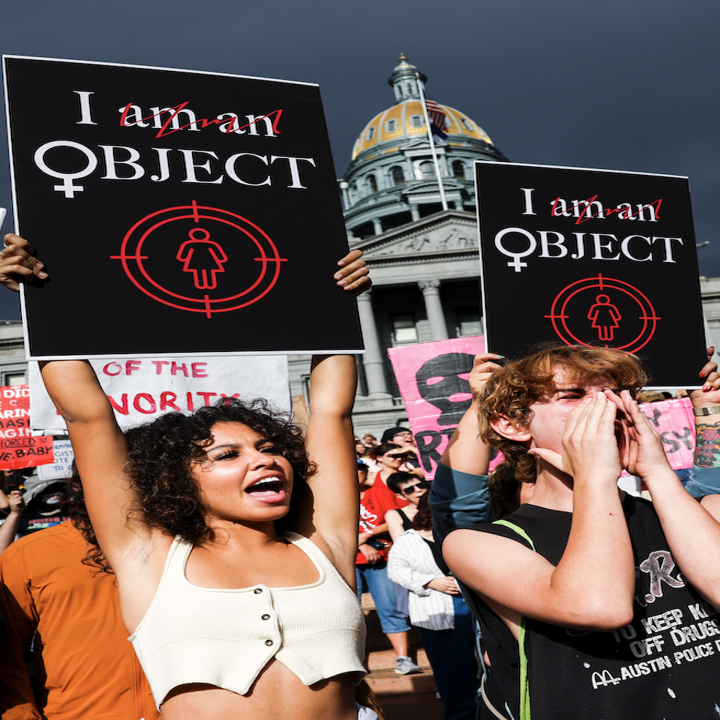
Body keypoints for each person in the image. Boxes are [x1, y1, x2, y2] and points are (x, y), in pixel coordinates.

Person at [0, 233, 374, 720]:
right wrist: (40, 299)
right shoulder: (147, 558)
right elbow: (88, 417)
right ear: (179, 483)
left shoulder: (327, 543)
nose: (264, 460)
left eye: (268, 448)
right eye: (228, 454)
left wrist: (335, 301)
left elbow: (331, 411)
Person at [441, 344, 720, 720]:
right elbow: (599, 606)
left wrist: (658, 473)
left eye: (614, 395)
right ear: (513, 424)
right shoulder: (480, 544)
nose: (606, 407)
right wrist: (594, 477)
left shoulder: (694, 512)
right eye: (572, 396)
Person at [0, 463, 159, 720]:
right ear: (76, 484)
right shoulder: (27, 554)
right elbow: (6, 654)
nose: (123, 487)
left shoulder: (188, 546)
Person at [388, 492, 477, 720]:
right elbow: (396, 571)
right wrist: (430, 582)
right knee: (452, 672)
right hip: (436, 611)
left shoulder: (460, 534)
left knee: (479, 667)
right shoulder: (409, 540)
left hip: (472, 607)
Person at [356, 458, 422, 675]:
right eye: (355, 469)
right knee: (349, 611)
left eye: (362, 468)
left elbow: (395, 516)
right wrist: (362, 545)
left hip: (381, 556)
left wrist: (367, 535)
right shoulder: (334, 495)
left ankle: (403, 658)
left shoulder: (378, 491)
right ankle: (354, 660)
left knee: (390, 606)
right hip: (348, 557)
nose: (360, 472)